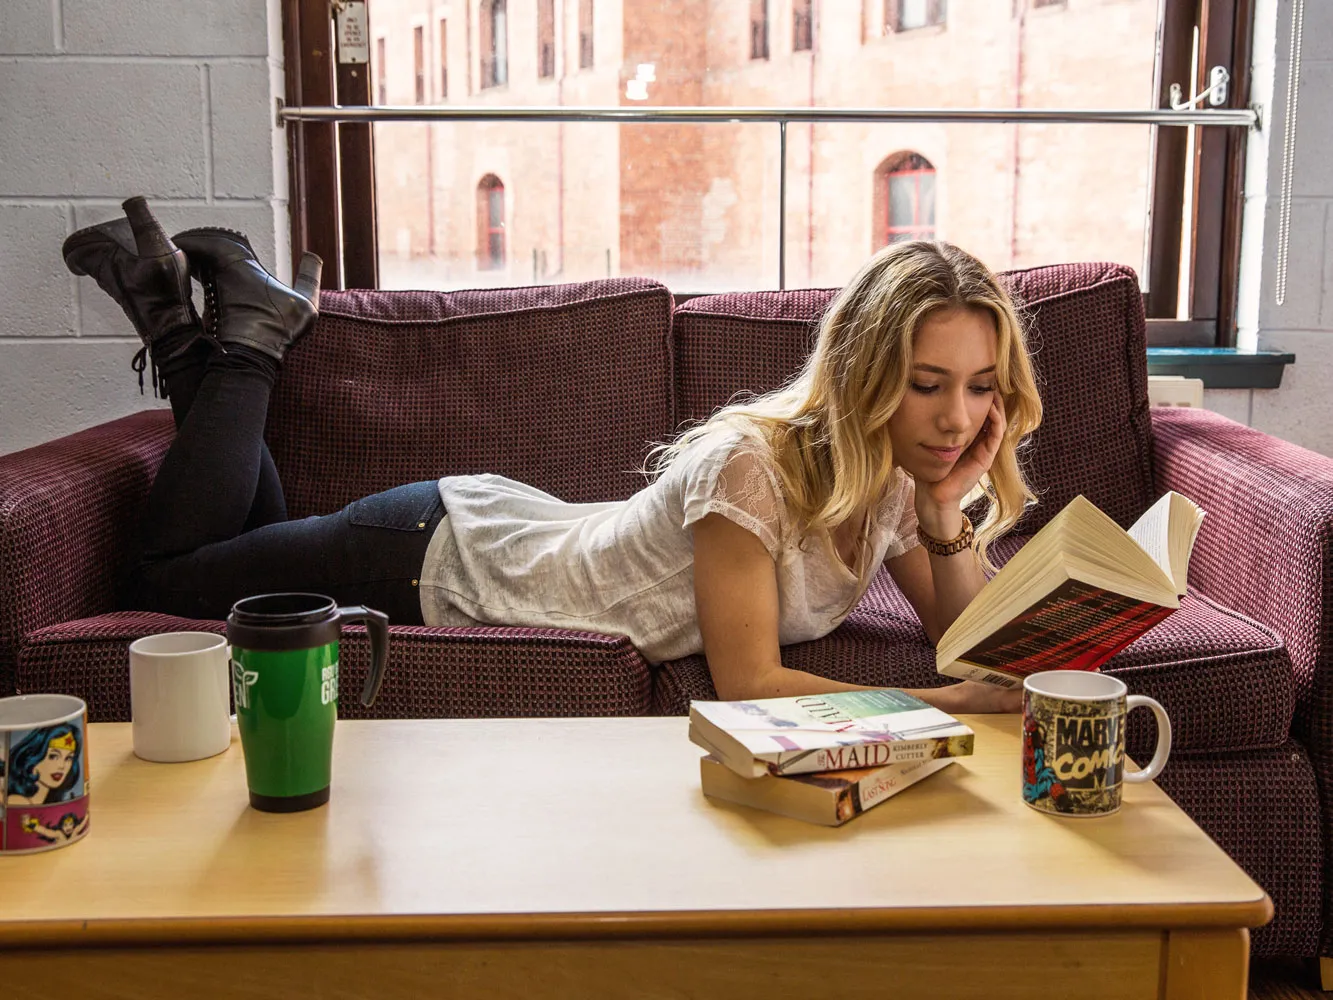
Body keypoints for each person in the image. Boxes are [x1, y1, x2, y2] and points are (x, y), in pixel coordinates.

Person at [64, 198, 1041, 715]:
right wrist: (939, 703)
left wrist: (950, 507)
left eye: (979, 384)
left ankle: (180, 320)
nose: (956, 416)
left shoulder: (896, 482)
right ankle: (247, 342)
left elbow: (972, 640)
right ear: (867, 370)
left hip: (487, 531)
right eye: (926, 382)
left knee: (248, 541)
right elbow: (750, 683)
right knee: (167, 577)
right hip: (444, 554)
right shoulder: (756, 466)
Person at [6, 724, 83, 806]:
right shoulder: (17, 801)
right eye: (53, 756)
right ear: (32, 756)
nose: (62, 766)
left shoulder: (50, 800)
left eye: (68, 758)